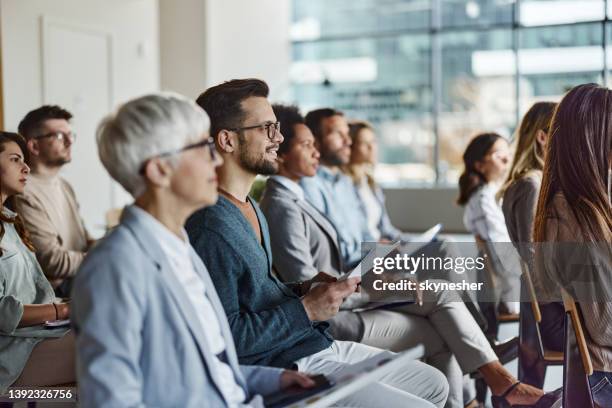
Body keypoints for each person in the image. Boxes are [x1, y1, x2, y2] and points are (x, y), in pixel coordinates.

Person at [260, 105, 553, 408]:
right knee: (440, 293)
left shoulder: (299, 197)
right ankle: (499, 380)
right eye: (307, 145)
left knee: (442, 306)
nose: (316, 151)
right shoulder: (285, 204)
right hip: (339, 312)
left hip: (353, 288)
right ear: (280, 153)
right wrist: (383, 287)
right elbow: (308, 285)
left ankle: (481, 393)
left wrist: (383, 276)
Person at [187, 78, 449, 408]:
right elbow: (227, 338)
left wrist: (303, 288)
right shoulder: (211, 227)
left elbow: (257, 293)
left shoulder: (249, 206)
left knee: (435, 384)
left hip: (308, 342)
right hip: (283, 365)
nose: (278, 138)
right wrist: (307, 308)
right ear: (227, 140)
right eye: (267, 128)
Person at [71, 93, 315, 407]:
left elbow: (207, 367)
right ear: (159, 170)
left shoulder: (179, 247)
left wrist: (272, 379)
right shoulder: (115, 266)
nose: (216, 159)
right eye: (202, 148)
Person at [533, 83, 612, 407]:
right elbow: (605, 326)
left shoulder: (578, 207)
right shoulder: (575, 218)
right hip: (605, 373)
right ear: (595, 138)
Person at [0, 131, 74, 394]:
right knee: (116, 341)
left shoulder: (10, 223)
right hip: (12, 352)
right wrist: (62, 311)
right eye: (15, 159)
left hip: (38, 335)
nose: (26, 167)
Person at [499, 102, 564, 355]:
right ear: (542, 136)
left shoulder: (528, 182)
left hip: (544, 311)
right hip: (551, 320)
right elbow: (533, 255)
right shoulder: (532, 185)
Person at [14, 105, 91, 296]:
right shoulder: (23, 192)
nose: (69, 142)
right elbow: (53, 263)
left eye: (70, 135)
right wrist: (103, 256)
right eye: (58, 136)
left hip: (81, 277)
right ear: (34, 146)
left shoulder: (65, 186)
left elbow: (83, 242)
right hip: (58, 294)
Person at [457, 133, 521, 318]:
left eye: (508, 151)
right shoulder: (482, 200)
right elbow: (503, 257)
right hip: (514, 294)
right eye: (498, 153)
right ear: (479, 165)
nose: (507, 157)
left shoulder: (497, 194)